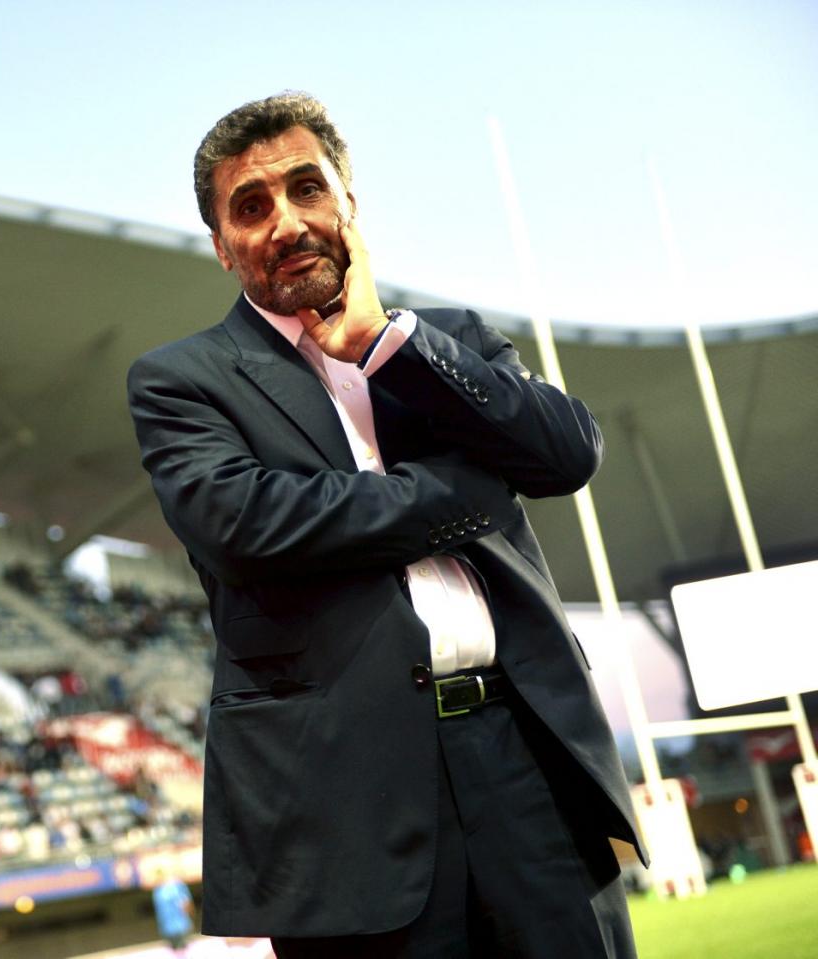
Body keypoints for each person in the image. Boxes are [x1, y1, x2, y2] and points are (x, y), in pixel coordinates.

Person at [127, 92, 643, 958]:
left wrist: (384, 343)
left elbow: (566, 453)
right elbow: (247, 526)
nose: (287, 221)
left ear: (349, 202)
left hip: (527, 763)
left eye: (307, 188)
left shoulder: (447, 339)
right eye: (251, 206)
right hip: (344, 800)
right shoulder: (181, 380)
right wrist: (466, 491)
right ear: (222, 246)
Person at [151, 868, 196, 955]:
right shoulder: (157, 891)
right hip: (167, 928)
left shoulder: (176, 887)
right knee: (175, 950)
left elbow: (186, 903)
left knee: (183, 949)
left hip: (180, 926)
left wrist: (190, 918)